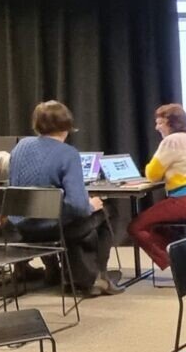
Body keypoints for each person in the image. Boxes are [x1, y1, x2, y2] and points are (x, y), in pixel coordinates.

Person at [9, 101, 123, 297]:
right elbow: (78, 207)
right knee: (106, 212)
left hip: (19, 227)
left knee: (72, 220)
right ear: (67, 125)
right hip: (52, 229)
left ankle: (56, 270)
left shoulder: (21, 146)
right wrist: (91, 205)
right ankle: (98, 276)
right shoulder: (68, 154)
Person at [127, 104, 186, 270]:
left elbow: (152, 174)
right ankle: (182, 259)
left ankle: (176, 265)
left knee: (136, 227)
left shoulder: (171, 141)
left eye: (160, 123)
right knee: (157, 225)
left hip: (185, 202)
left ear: (172, 123)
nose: (156, 127)